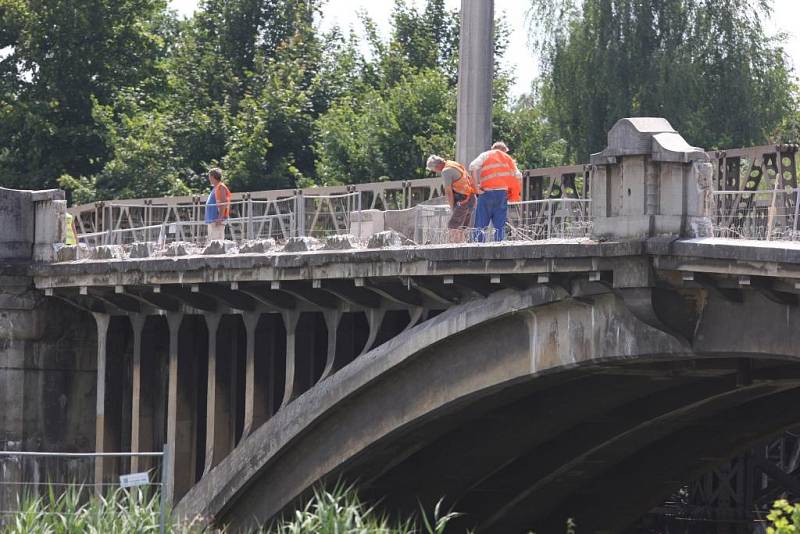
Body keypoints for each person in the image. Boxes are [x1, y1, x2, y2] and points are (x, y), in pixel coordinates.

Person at [469, 141, 522, 242]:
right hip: (502, 194)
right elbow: (519, 176)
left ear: (493, 148)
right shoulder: (508, 159)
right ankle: (498, 248)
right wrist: (513, 193)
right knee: (499, 225)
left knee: (480, 224)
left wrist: (476, 188)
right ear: (504, 150)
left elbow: (472, 166)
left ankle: (478, 247)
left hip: (486, 193)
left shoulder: (486, 155)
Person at [426, 155, 477, 242]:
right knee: (462, 227)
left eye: (433, 170)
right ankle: (462, 246)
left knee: (453, 226)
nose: (435, 171)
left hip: (463, 200)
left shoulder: (446, 171)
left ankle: (455, 248)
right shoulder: (452, 164)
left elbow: (448, 192)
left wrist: (452, 207)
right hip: (471, 198)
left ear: (437, 166)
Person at [205, 168, 231, 241]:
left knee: (217, 242)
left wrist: (220, 218)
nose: (209, 179)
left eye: (209, 176)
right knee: (212, 242)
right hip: (212, 220)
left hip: (217, 219)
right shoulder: (215, 188)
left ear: (213, 177)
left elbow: (224, 202)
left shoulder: (221, 187)